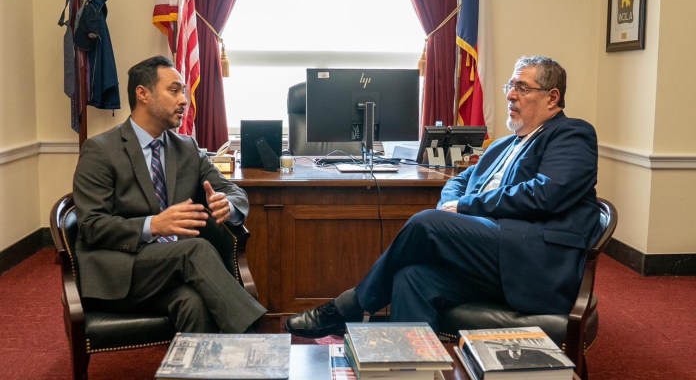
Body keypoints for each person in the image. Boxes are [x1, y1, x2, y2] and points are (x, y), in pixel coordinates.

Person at [285, 55, 603, 338]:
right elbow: (460, 180)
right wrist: (449, 208)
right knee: (412, 278)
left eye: (522, 87)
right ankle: (408, 370)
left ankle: (351, 306)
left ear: (553, 97)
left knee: (427, 224)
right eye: (510, 85)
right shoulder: (504, 144)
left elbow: (545, 194)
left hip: (532, 260)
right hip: (491, 252)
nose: (510, 94)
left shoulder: (572, 134)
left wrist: (462, 208)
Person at [72, 55, 266, 333]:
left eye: (184, 92)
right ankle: (255, 335)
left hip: (174, 269)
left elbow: (233, 192)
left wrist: (227, 205)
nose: (184, 100)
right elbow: (92, 227)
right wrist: (153, 225)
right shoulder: (100, 151)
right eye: (174, 91)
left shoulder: (186, 148)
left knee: (193, 304)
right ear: (143, 94)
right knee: (195, 249)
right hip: (124, 271)